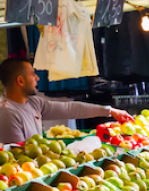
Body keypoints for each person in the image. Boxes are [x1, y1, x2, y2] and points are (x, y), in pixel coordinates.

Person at [0, 58, 133, 144]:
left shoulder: (34, 103)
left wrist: (110, 111)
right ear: (20, 81)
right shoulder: (7, 113)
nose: (37, 78)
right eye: (32, 74)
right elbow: (17, 155)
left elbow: (70, 109)